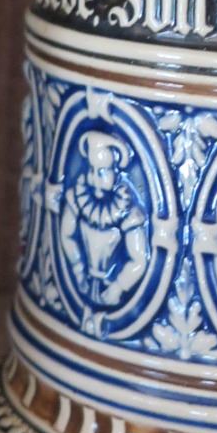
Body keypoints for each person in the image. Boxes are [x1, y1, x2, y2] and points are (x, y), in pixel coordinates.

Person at [59, 129, 149, 312]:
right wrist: (77, 268)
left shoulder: (130, 213)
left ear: (116, 171)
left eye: (103, 172)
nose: (95, 179)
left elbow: (139, 260)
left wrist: (118, 287)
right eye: (91, 170)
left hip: (110, 291)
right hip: (84, 285)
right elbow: (66, 235)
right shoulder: (77, 198)